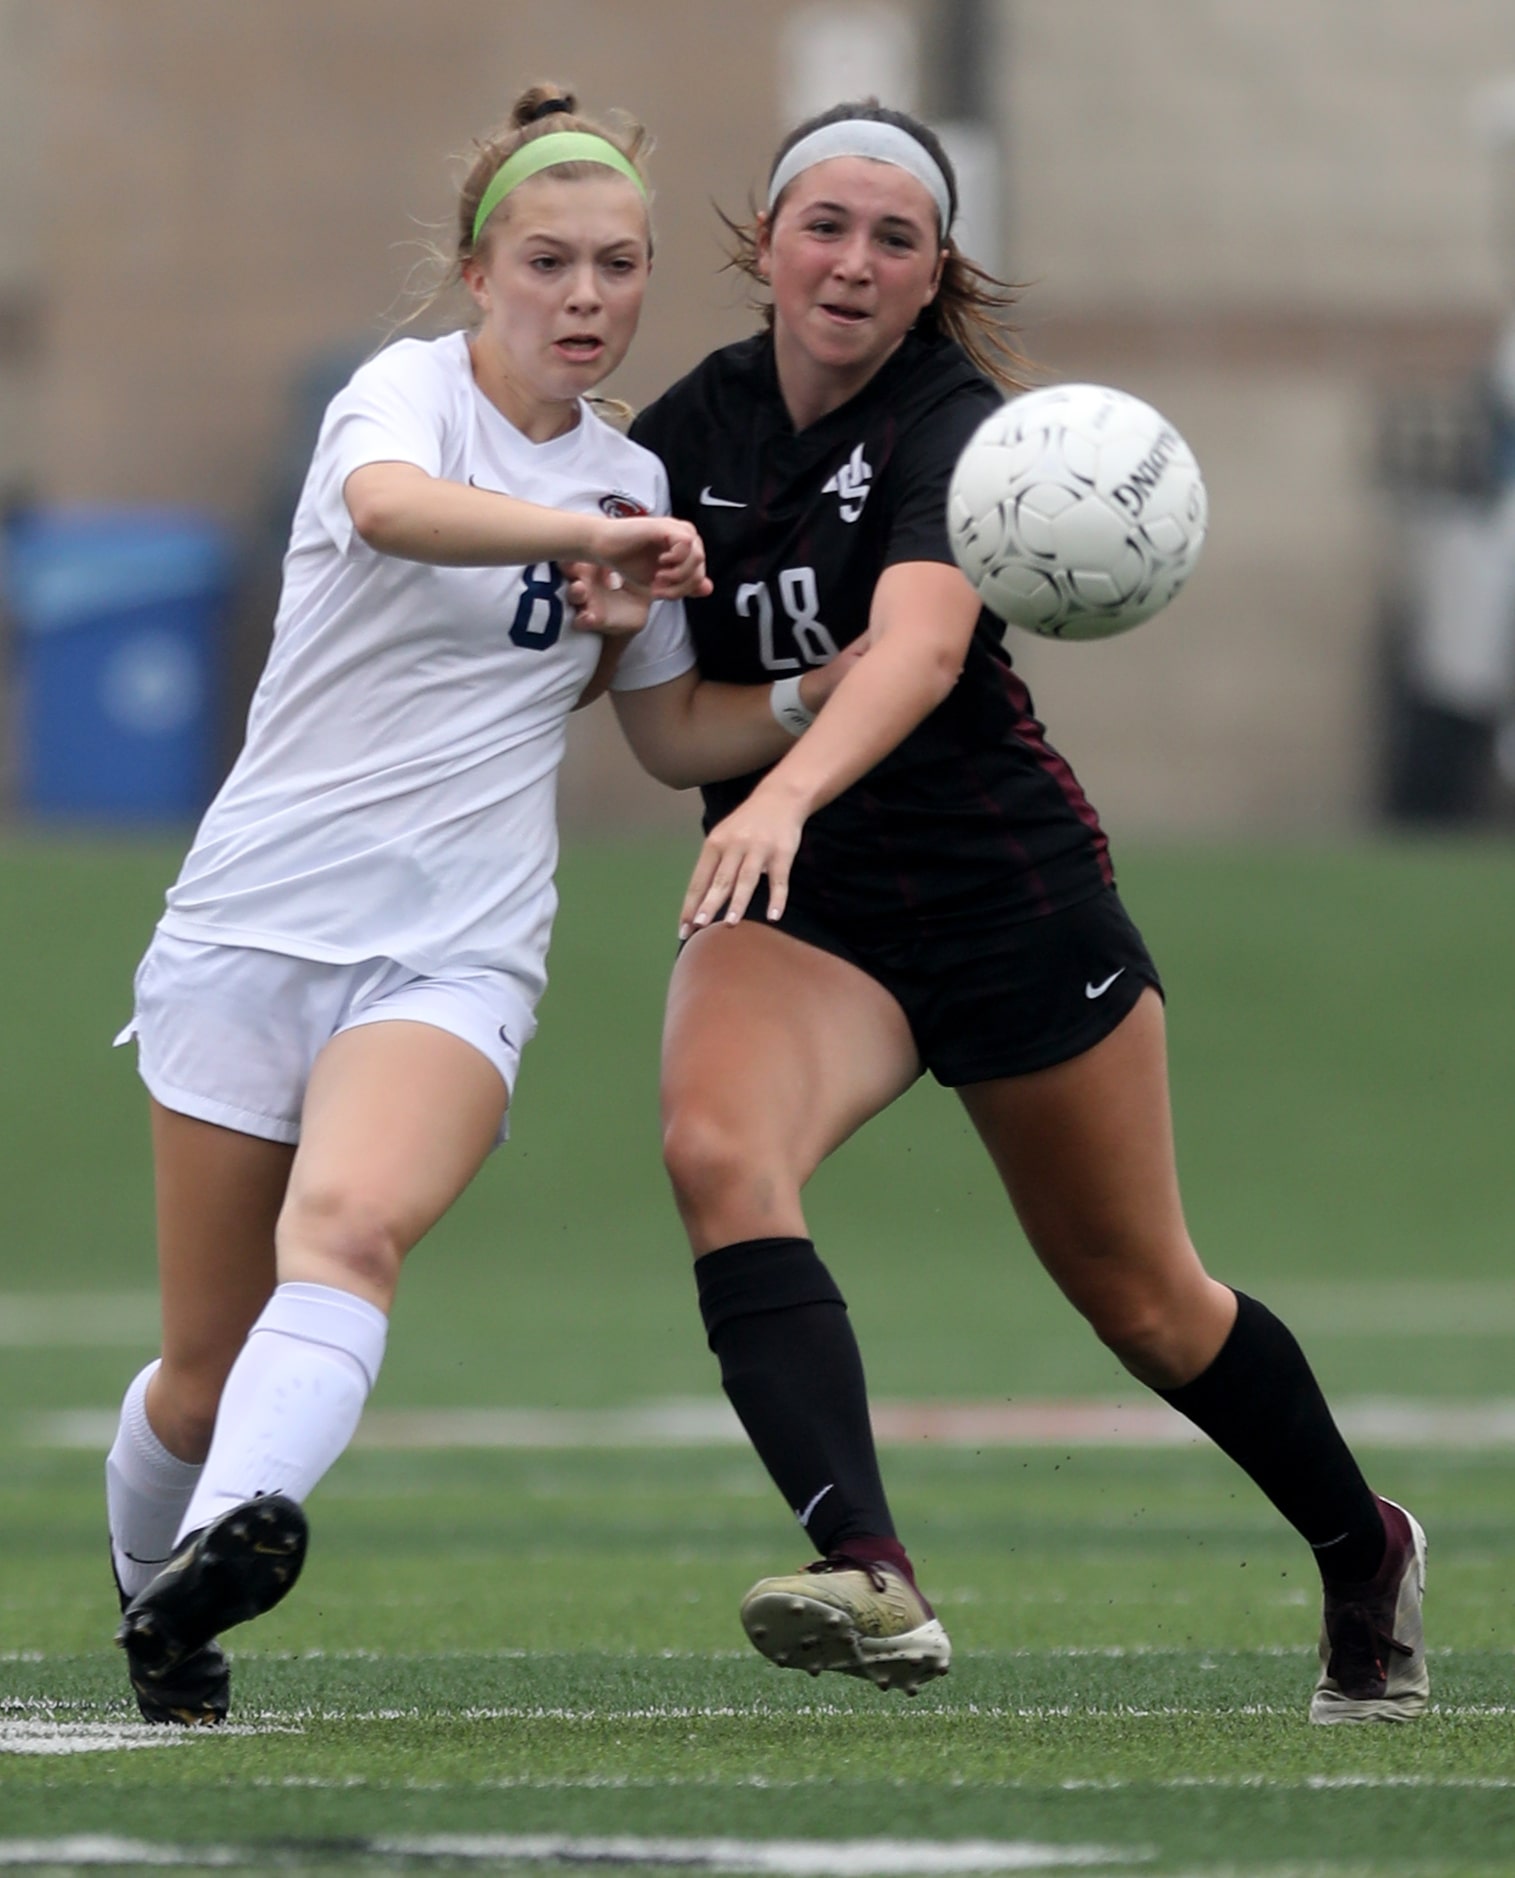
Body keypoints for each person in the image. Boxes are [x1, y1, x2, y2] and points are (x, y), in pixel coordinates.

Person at [625, 100, 1428, 1724]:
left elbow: (920, 650)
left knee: (1144, 1295)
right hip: (805, 908)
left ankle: (1364, 1546)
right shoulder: (678, 444)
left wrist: (785, 777)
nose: (853, 262)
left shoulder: (957, 425)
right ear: (765, 243)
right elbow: (658, 729)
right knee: (720, 1153)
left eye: (896, 238)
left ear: (937, 275)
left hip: (1007, 897)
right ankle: (871, 1569)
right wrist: (770, 748)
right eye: (825, 225)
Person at [105, 84, 849, 1727]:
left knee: (351, 1229)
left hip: (454, 944)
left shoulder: (631, 477)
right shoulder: (405, 401)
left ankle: (240, 1528)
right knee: (203, 1371)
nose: (587, 298)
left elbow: (667, 735)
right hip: (250, 920)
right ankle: (162, 1609)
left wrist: (821, 694)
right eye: (550, 263)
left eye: (622, 266)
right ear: (476, 272)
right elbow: (392, 514)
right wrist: (594, 540)